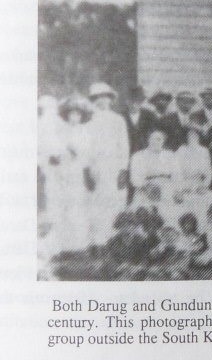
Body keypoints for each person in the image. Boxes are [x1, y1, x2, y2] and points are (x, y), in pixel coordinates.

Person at [85, 82, 130, 249]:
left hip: (114, 167)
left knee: (115, 202)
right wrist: (88, 171)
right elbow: (87, 149)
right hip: (96, 168)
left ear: (110, 99)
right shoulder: (89, 123)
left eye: (104, 97)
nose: (101, 101)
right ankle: (98, 242)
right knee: (96, 204)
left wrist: (123, 169)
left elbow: (124, 146)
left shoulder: (118, 120)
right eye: (97, 98)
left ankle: (115, 240)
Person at [47, 95, 92, 256]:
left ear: (82, 116)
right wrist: (60, 156)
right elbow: (54, 154)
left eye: (78, 114)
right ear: (67, 115)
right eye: (72, 114)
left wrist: (77, 154)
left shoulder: (85, 132)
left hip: (78, 173)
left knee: (78, 207)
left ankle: (79, 245)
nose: (75, 117)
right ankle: (63, 246)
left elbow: (87, 155)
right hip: (63, 173)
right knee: (63, 207)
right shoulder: (61, 132)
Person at [130, 129, 180, 225]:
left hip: (167, 188)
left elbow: (177, 175)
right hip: (145, 190)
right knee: (144, 214)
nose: (155, 142)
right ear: (148, 140)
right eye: (152, 139)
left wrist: (177, 190)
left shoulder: (170, 155)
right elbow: (135, 179)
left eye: (159, 139)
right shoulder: (138, 156)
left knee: (170, 215)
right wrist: (147, 187)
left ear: (164, 141)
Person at [175, 125, 212, 227]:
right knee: (184, 201)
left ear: (198, 137)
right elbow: (176, 171)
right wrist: (180, 188)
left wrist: (204, 185)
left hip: (199, 184)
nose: (192, 138)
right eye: (189, 136)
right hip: (184, 184)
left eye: (194, 136)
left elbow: (209, 171)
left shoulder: (204, 151)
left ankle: (204, 228)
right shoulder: (181, 150)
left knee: (209, 197)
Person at [124, 85, 157, 154]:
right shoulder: (121, 117)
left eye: (138, 101)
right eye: (131, 101)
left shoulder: (149, 116)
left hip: (145, 153)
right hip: (126, 152)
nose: (134, 104)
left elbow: (154, 135)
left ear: (142, 102)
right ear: (126, 101)